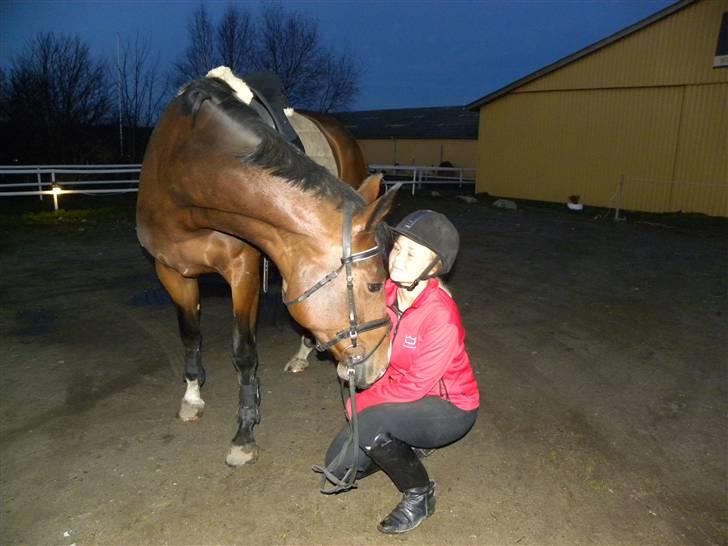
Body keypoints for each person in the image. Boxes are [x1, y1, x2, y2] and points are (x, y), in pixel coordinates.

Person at [317, 209, 480, 534]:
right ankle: (406, 444)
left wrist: (359, 405)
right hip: (406, 398)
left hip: (450, 408)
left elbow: (413, 389)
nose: (399, 259)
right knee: (334, 470)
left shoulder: (440, 317)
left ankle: (420, 496)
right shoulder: (388, 292)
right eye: (398, 248)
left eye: (412, 253)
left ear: (434, 267)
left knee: (370, 422)